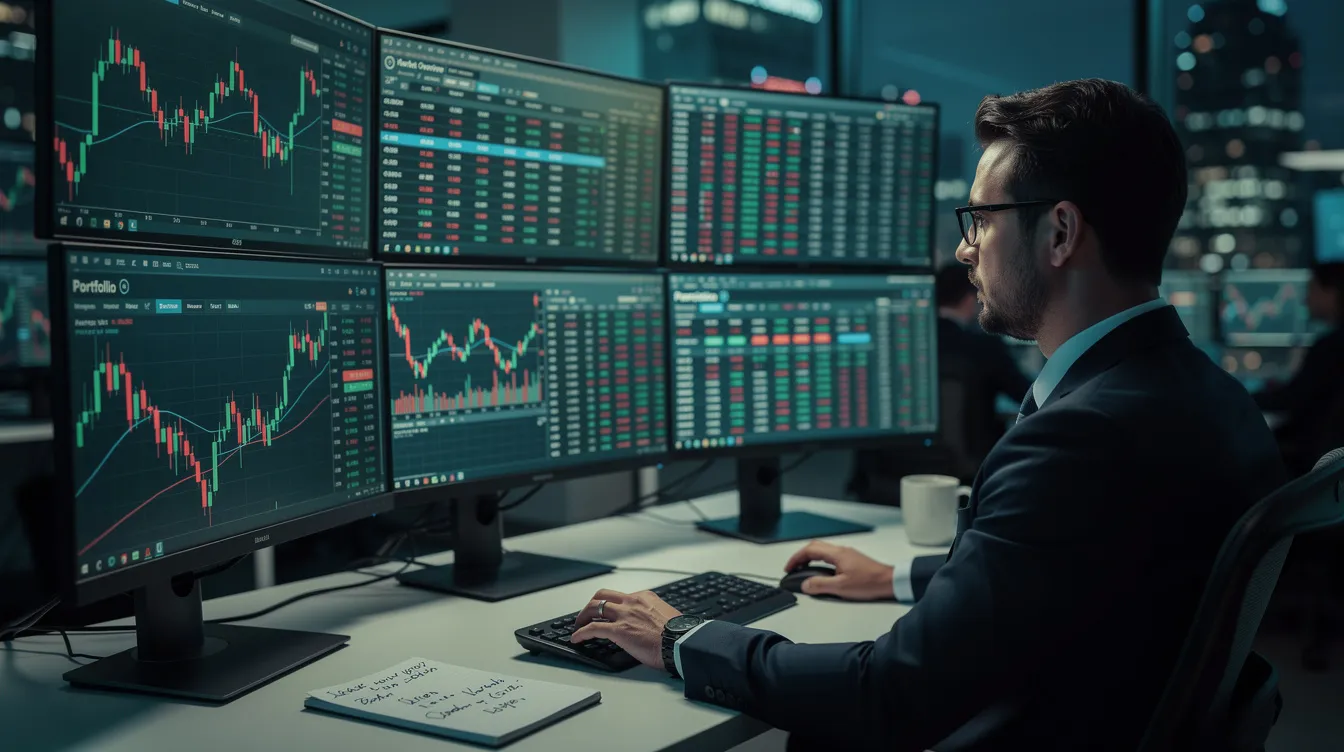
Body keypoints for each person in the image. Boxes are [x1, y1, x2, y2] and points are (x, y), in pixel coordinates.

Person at [566, 79, 1288, 751]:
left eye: (980, 219)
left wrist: (682, 637)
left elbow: (888, 694)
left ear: (1061, 233)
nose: (963, 249)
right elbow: (1077, 568)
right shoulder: (1206, 396)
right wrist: (903, 577)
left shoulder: (1083, 436)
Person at [850, 263, 1033, 495]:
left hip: (881, 482)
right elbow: (1030, 395)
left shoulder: (889, 342)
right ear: (970, 300)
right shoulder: (982, 347)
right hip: (961, 485)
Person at [1254, 262, 1344, 474]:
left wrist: (1242, 397)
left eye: (1312, 290)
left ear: (1332, 292)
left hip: (1308, 466)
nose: (1305, 300)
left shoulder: (1331, 347)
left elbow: (1291, 399)